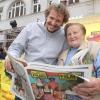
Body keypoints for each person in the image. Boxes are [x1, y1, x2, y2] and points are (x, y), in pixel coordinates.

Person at [4, 3, 69, 100]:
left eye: (58, 20)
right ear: (46, 16)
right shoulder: (31, 28)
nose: (53, 23)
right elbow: (16, 48)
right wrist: (10, 57)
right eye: (51, 18)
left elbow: (65, 58)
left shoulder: (64, 36)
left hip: (47, 84)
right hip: (25, 79)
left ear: (62, 22)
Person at [58, 23, 100, 100]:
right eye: (69, 34)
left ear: (83, 34)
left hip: (89, 96)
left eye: (75, 33)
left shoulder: (95, 47)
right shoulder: (62, 54)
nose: (72, 36)